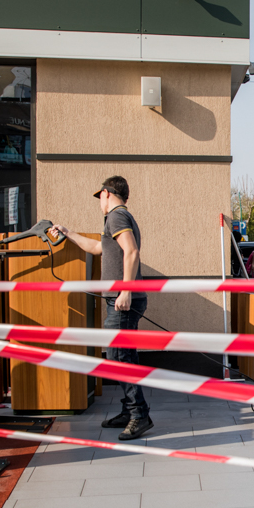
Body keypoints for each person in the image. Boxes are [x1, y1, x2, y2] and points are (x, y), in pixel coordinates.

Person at [49, 176, 153, 441]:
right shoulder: (118, 219)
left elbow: (131, 252)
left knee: (120, 358)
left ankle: (139, 415)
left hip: (122, 299)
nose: (99, 203)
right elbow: (98, 248)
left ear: (107, 193)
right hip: (120, 298)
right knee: (121, 356)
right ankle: (130, 410)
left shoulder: (116, 217)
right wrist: (68, 233)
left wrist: (126, 290)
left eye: (100, 197)